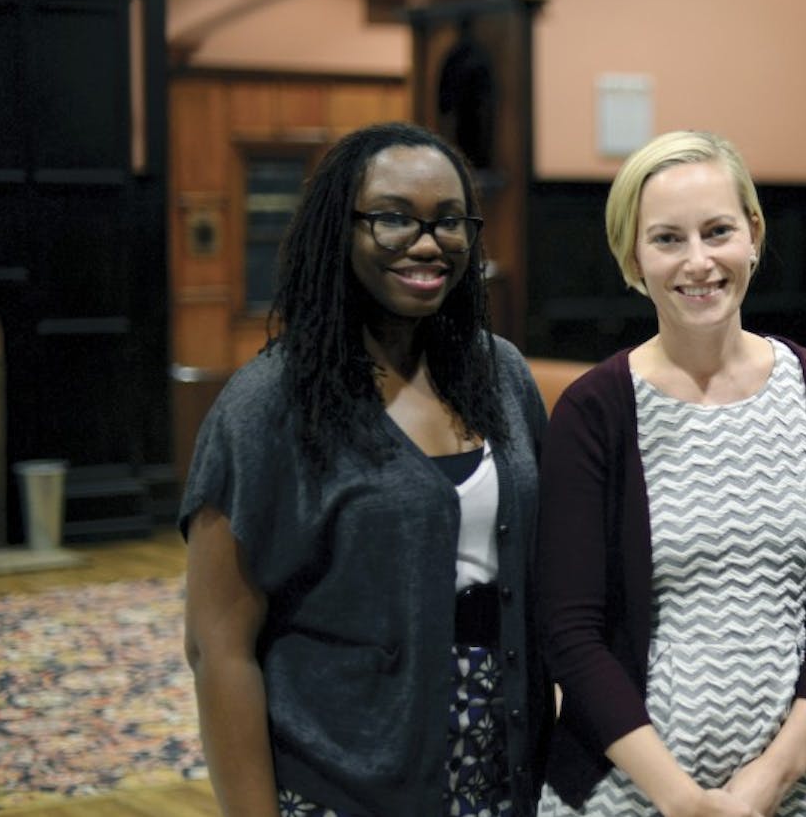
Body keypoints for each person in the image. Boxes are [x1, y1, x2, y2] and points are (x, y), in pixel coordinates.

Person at [181, 122, 551, 816]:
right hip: (344, 780)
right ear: (337, 232)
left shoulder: (500, 373)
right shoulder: (270, 405)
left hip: (505, 772)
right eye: (391, 218)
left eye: (449, 222)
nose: (426, 242)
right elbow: (218, 648)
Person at [534, 130, 806, 817]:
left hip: (792, 793)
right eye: (667, 239)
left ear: (753, 233)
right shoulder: (596, 410)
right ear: (632, 255)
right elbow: (570, 633)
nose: (698, 262)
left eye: (717, 231)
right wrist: (684, 801)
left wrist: (772, 779)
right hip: (622, 795)